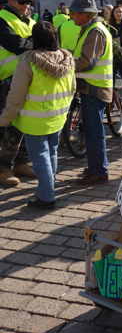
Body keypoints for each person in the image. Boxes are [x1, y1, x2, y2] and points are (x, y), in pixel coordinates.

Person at [0, 22, 75, 207]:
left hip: (34, 120)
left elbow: (16, 95)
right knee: (52, 152)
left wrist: (5, 118)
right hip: (58, 117)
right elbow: (72, 88)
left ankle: (46, 196)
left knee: (40, 156)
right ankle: (48, 189)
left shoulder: (28, 61)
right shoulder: (67, 59)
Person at [70, 0, 113, 184]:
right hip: (91, 88)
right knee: (91, 131)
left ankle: (99, 171)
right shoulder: (90, 29)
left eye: (74, 14)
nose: (71, 17)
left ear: (85, 15)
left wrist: (65, 64)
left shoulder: (95, 31)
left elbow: (87, 62)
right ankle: (95, 167)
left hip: (95, 89)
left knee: (95, 132)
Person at [0, 0, 36, 187]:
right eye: (23, 2)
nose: (26, 6)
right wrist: (35, 42)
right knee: (9, 123)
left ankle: (20, 162)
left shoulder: (30, 21)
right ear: (11, 0)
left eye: (28, 2)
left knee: (24, 123)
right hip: (8, 79)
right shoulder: (2, 18)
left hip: (27, 78)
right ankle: (4, 167)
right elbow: (14, 44)